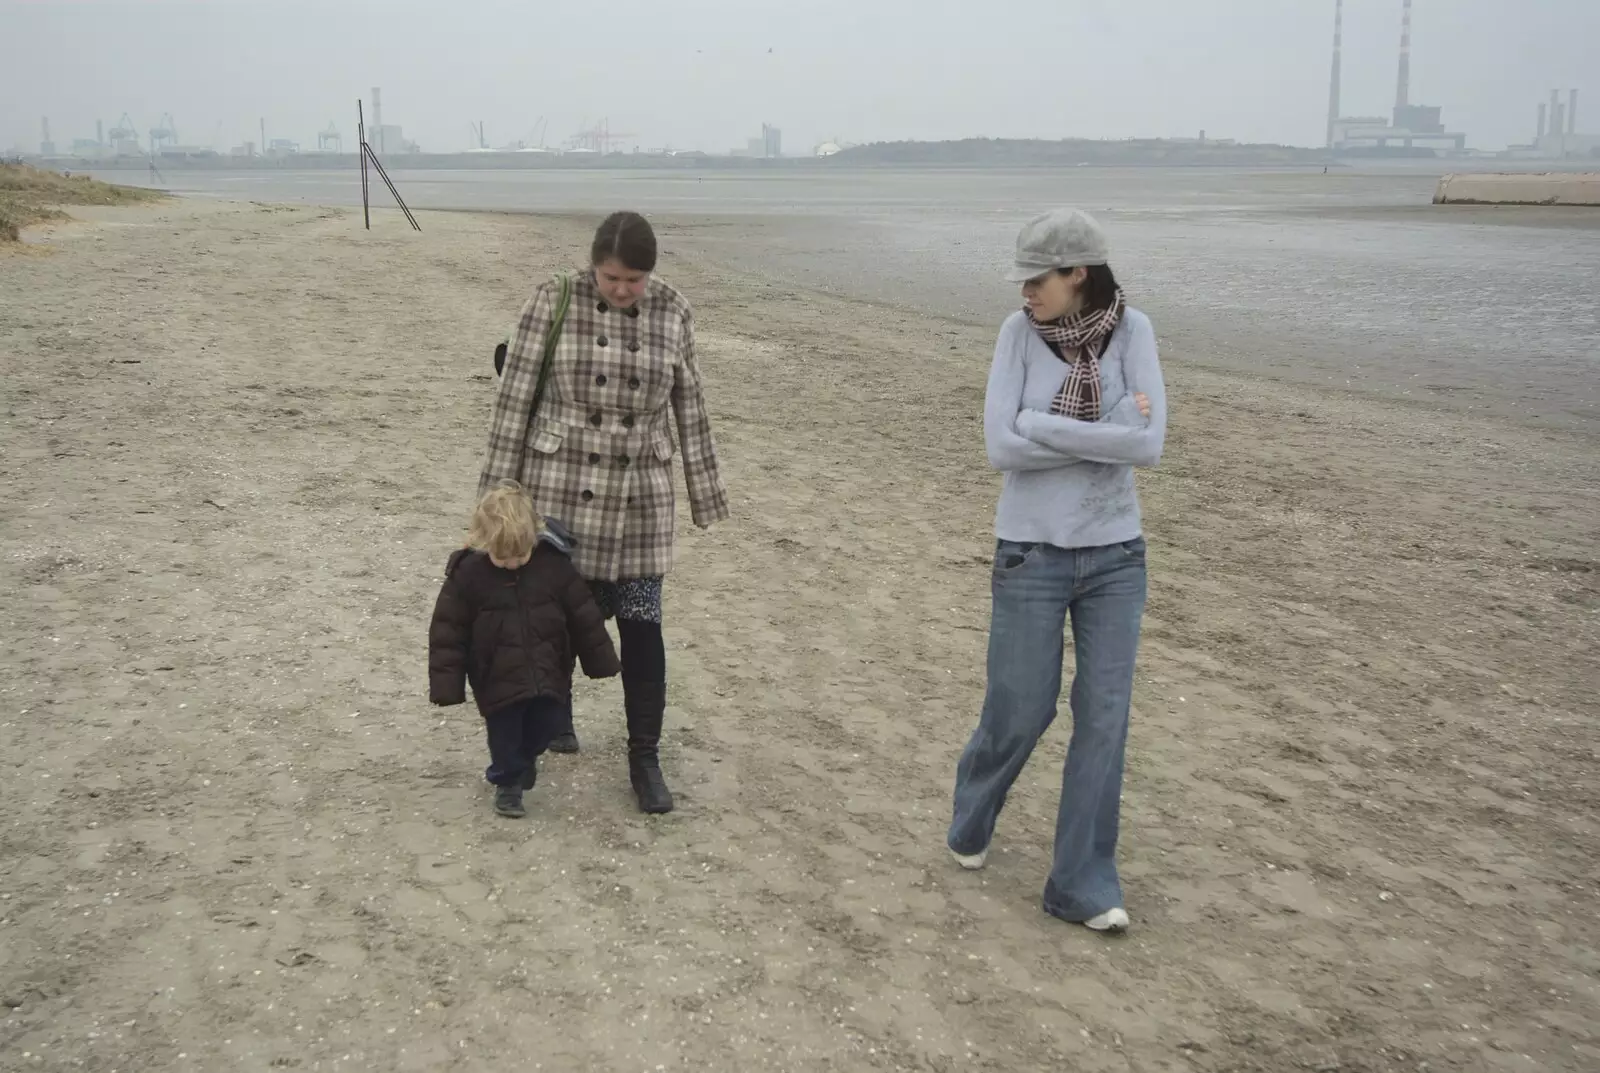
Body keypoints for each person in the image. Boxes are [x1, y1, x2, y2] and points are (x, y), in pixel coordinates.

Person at [948, 208, 1167, 935]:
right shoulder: (1017, 336)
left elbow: (1150, 444)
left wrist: (1039, 424)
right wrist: (1100, 434)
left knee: (1103, 718)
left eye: (1037, 279)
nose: (1025, 293)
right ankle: (973, 809)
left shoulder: (1135, 334)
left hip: (1116, 555)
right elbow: (1000, 448)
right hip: (1029, 551)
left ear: (1079, 274)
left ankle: (1079, 881)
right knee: (1021, 707)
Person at [478, 211, 729, 814]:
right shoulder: (553, 299)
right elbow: (514, 399)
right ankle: (539, 738)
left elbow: (688, 402)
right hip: (562, 485)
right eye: (612, 277)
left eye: (634, 279)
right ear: (593, 265)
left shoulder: (673, 310)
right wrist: (495, 502)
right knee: (556, 623)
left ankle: (645, 756)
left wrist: (705, 494)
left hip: (640, 490)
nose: (622, 290)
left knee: (643, 628)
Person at [428, 482, 622, 818]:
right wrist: (447, 684)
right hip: (495, 676)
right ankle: (507, 784)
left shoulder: (554, 567)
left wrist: (600, 658)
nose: (514, 563)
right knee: (504, 737)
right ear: (483, 541)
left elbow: (583, 616)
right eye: (503, 557)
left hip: (549, 670)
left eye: (521, 555)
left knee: (547, 726)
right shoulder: (467, 576)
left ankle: (524, 761)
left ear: (535, 538)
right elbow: (448, 631)